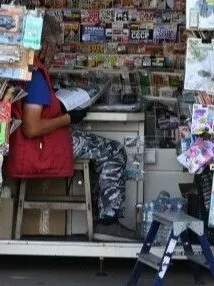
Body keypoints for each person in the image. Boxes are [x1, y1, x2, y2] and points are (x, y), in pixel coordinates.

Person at [16, 14, 136, 241]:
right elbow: (31, 128)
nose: (56, 54)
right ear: (45, 45)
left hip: (46, 141)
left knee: (98, 147)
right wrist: (70, 117)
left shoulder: (31, 70)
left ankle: (103, 216)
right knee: (113, 151)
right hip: (44, 145)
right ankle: (108, 221)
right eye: (56, 47)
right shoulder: (37, 77)